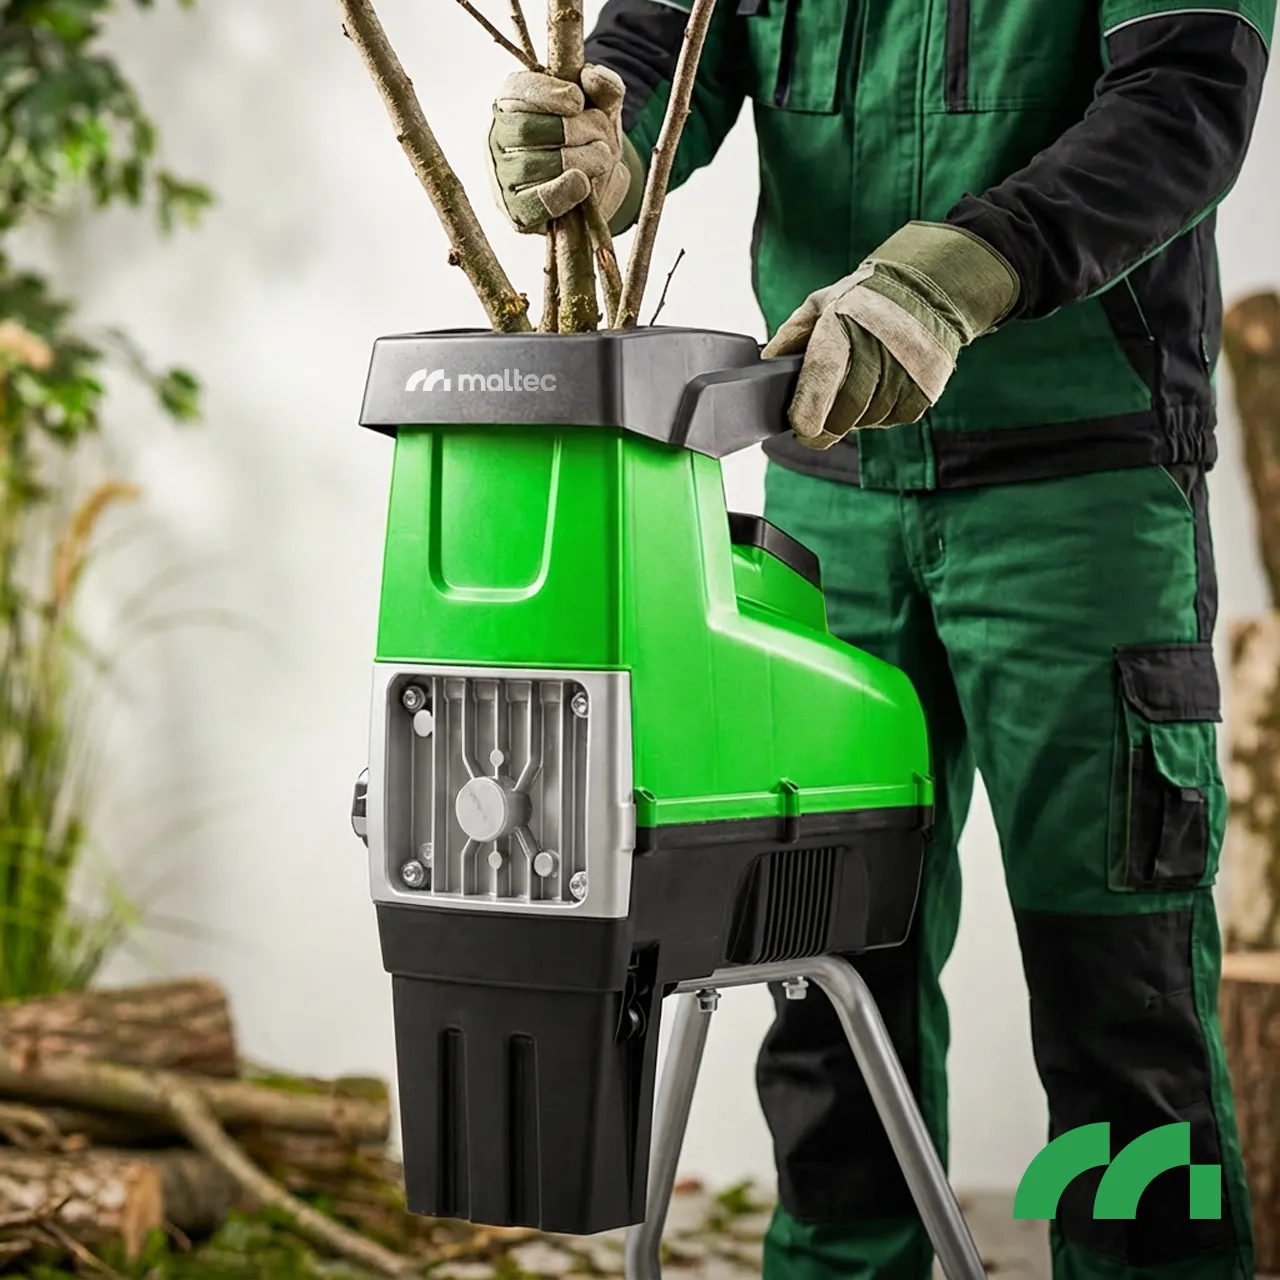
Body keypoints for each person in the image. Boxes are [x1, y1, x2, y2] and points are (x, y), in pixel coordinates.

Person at [486, 2, 1275, 1275]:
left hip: (1074, 504)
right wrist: (597, 141)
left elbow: (1180, 100)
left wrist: (956, 274)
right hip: (827, 490)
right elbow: (661, 48)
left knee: (1117, 1005)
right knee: (819, 979)